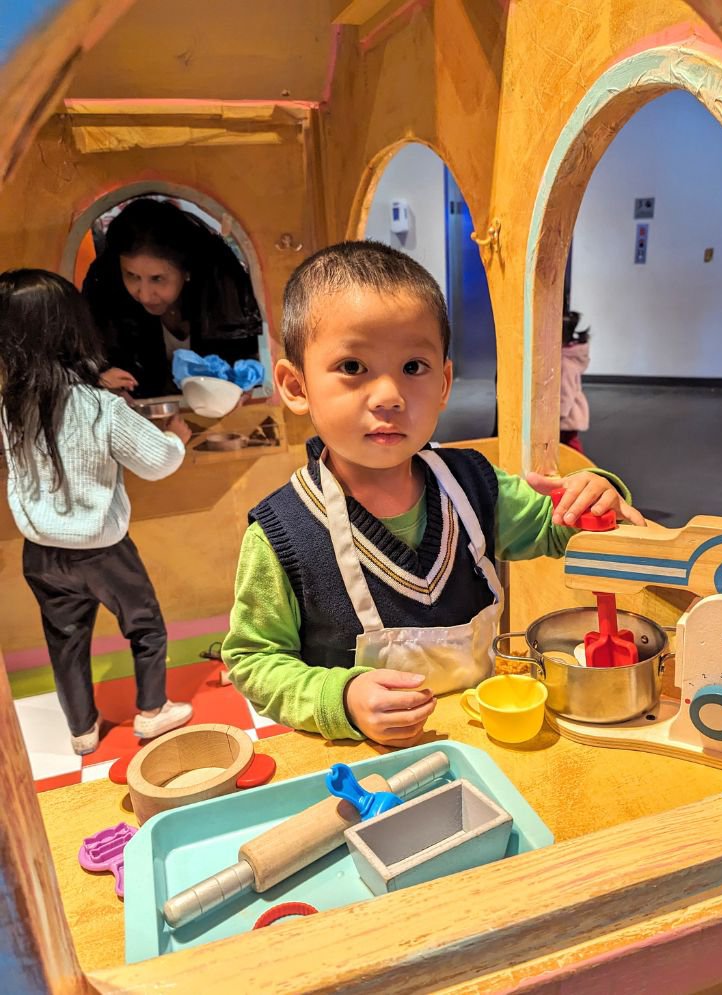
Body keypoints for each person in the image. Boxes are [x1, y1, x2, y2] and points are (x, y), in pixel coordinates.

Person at [222, 242, 644, 748]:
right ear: (296, 386)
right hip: (360, 766)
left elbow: (566, 531)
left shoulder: (475, 487)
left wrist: (596, 497)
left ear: (444, 382)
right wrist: (341, 698)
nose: (389, 396)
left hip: (485, 745)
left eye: (413, 367)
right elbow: (254, 660)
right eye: (353, 367)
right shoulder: (281, 533)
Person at [0, 270, 194, 755]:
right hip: (103, 551)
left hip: (41, 553)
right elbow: (157, 463)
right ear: (72, 329)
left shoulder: (10, 404)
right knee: (144, 626)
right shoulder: (98, 407)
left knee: (65, 641)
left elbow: (55, 406)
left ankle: (82, 730)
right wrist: (177, 437)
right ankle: (152, 711)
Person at [82, 197, 263, 398]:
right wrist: (100, 381)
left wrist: (243, 385)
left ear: (186, 271)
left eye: (157, 279)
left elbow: (251, 357)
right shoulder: (108, 298)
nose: (144, 294)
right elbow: (86, 360)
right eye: (132, 276)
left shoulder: (223, 295)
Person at [560, 309, 590, 454]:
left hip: (566, 416)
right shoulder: (570, 357)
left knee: (570, 446)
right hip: (570, 414)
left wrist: (558, 414)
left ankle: (580, 467)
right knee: (569, 443)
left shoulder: (564, 363)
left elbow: (565, 393)